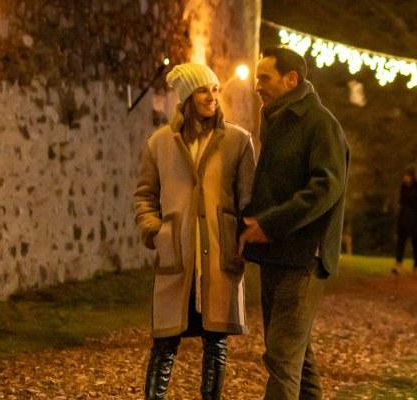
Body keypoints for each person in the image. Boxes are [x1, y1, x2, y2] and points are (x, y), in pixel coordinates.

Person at [133, 62, 255, 400]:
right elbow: (144, 195)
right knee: (164, 342)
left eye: (215, 89)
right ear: (187, 97)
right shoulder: (160, 143)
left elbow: (249, 201)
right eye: (203, 90)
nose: (212, 97)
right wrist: (155, 230)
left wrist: (242, 241)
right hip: (178, 255)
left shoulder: (238, 141)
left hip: (218, 257)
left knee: (216, 343)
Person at [240, 45, 349, 400]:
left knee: (283, 357)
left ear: (291, 79)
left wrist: (270, 223)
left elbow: (325, 188)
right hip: (277, 254)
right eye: (257, 78)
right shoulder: (276, 120)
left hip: (303, 257)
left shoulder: (320, 125)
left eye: (264, 78)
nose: (258, 85)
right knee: (296, 358)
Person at [395, 169, 417, 276]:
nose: (405, 178)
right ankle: (398, 265)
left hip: (416, 220)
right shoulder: (403, 187)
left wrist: (410, 203)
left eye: (407, 175)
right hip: (404, 219)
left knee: (416, 245)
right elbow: (401, 200)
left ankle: (416, 267)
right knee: (401, 243)